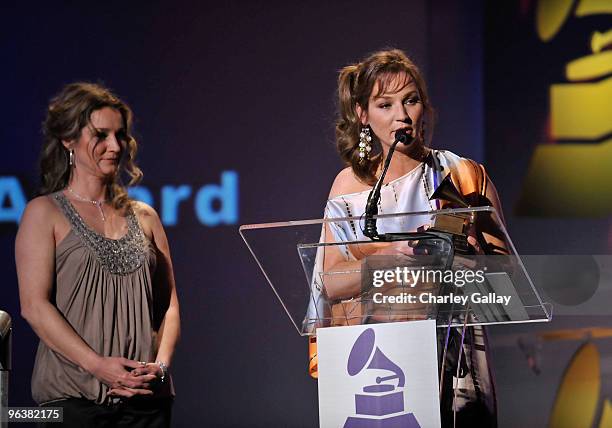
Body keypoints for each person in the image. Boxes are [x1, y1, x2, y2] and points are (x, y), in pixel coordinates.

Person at [307, 49, 504, 426]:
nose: (402, 114)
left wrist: (472, 261)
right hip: (377, 363)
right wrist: (391, 258)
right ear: (363, 115)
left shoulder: (462, 176)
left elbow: (509, 280)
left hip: (454, 359)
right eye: (385, 104)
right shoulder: (347, 190)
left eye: (411, 100)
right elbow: (329, 283)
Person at [15, 82, 180, 427]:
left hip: (146, 403)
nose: (114, 146)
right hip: (74, 404)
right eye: (100, 135)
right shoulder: (44, 213)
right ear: (68, 140)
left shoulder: (145, 216)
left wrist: (161, 367)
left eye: (120, 135)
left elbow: (169, 307)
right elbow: (34, 306)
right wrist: (97, 365)